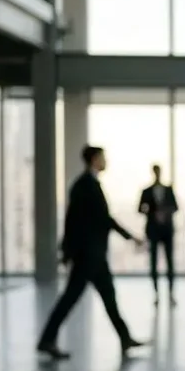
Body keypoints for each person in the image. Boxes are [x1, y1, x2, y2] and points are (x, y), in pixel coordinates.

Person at [36, 146, 146, 359]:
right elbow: (95, 219)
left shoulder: (87, 184)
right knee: (71, 299)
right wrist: (131, 237)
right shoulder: (86, 185)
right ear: (95, 159)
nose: (106, 161)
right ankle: (47, 340)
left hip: (92, 255)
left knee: (107, 297)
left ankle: (124, 338)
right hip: (88, 255)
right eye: (103, 158)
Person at [138, 164, 179, 304]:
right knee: (153, 262)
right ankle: (156, 294)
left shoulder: (168, 189)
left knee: (170, 263)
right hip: (153, 230)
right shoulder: (146, 191)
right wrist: (152, 213)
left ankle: (171, 294)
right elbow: (139, 208)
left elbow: (175, 207)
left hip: (167, 230)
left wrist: (165, 213)